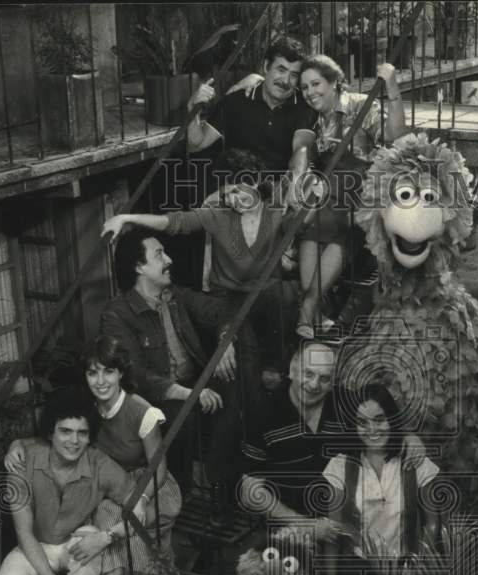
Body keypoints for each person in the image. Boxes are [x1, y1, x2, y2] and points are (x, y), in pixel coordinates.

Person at [5, 337, 182, 575]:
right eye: (92, 372)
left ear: (120, 374)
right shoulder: (89, 406)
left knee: (126, 533)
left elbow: (159, 468)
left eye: (108, 372)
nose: (100, 381)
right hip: (108, 490)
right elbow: (51, 437)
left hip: (149, 488)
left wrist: (140, 500)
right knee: (107, 520)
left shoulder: (140, 410)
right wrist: (17, 442)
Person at [101, 150, 301, 373]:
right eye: (227, 194)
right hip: (227, 296)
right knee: (239, 345)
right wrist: (127, 217)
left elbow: (302, 199)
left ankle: (277, 368)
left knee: (286, 293)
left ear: (254, 182)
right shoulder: (217, 214)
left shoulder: (276, 208)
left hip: (264, 293)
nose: (234, 199)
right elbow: (176, 222)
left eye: (238, 190)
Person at [0, 390, 148, 575]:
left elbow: (138, 507)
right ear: (50, 434)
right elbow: (24, 533)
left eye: (82, 433)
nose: (74, 441)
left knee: (91, 555)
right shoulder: (22, 462)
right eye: (65, 431)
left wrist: (105, 537)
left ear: (90, 437)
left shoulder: (99, 463)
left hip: (74, 541)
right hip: (33, 546)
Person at [99, 228, 246, 516]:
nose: (169, 259)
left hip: (193, 382)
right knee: (182, 416)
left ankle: (219, 483)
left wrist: (225, 340)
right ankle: (184, 499)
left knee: (234, 386)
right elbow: (136, 376)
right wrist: (191, 394)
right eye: (159, 254)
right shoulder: (116, 314)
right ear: (140, 267)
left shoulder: (175, 295)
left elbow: (223, 310)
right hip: (156, 396)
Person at [296, 56, 406, 336]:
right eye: (305, 87)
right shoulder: (313, 119)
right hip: (331, 191)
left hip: (363, 191)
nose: (310, 92)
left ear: (334, 82)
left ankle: (308, 306)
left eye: (316, 83)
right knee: (310, 224)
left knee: (336, 221)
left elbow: (395, 135)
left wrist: (392, 87)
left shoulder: (360, 105)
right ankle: (314, 308)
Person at [321, 383, 439, 575]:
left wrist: (421, 567)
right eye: (362, 422)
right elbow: (333, 531)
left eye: (379, 419)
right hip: (356, 573)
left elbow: (432, 523)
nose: (372, 430)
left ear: (391, 419)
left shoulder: (414, 463)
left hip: (406, 573)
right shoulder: (340, 466)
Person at [239, 339, 343, 544]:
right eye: (308, 373)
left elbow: (382, 421)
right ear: (292, 370)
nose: (314, 385)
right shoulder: (264, 414)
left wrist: (409, 439)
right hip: (287, 531)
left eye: (324, 378)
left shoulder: (343, 405)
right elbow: (250, 492)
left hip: (340, 525)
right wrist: (305, 525)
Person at [186, 36, 316, 178]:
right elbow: (196, 144)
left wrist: (295, 184)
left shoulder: (304, 106)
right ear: (266, 67)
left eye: (294, 75)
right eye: (281, 70)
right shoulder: (235, 100)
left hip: (278, 193)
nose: (286, 81)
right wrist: (193, 108)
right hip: (237, 191)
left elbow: (301, 148)